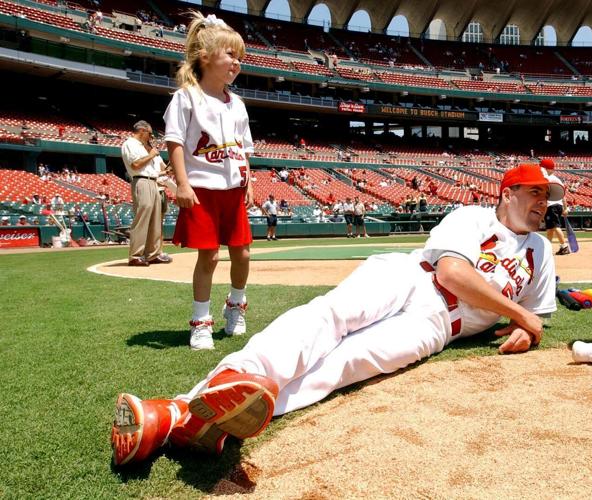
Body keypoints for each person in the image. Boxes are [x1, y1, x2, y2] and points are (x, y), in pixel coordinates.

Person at [110, 163, 564, 466]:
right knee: (328, 318)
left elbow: (535, 315)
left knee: (344, 365)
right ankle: (225, 383)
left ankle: (185, 419)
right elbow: (453, 273)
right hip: (413, 278)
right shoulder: (472, 217)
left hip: (439, 326)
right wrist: (522, 318)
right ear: (506, 194)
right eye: (536, 192)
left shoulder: (542, 251)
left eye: (549, 195)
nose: (544, 202)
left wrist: (524, 328)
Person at [162, 12, 255, 350]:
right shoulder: (185, 98)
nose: (236, 62)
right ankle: (201, 320)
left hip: (233, 189)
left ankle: (236, 305)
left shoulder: (238, 105)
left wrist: (249, 181)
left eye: (240, 58)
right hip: (201, 189)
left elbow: (244, 150)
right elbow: (174, 143)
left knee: (242, 254)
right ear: (205, 56)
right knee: (209, 257)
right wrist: (183, 184)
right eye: (230, 54)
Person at [121, 120, 172, 267]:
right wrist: (151, 155)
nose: (150, 136)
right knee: (142, 219)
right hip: (141, 181)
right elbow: (135, 165)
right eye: (149, 133)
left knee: (155, 220)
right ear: (142, 130)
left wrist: (167, 171)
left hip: (153, 181)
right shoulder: (130, 143)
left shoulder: (144, 146)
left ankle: (153, 254)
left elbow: (153, 169)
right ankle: (135, 255)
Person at [540, 159, 570, 255]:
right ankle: (547, 248)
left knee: (555, 226)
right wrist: (565, 208)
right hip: (558, 205)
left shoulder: (546, 179)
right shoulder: (557, 179)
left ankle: (564, 246)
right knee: (550, 228)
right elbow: (563, 194)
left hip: (551, 206)